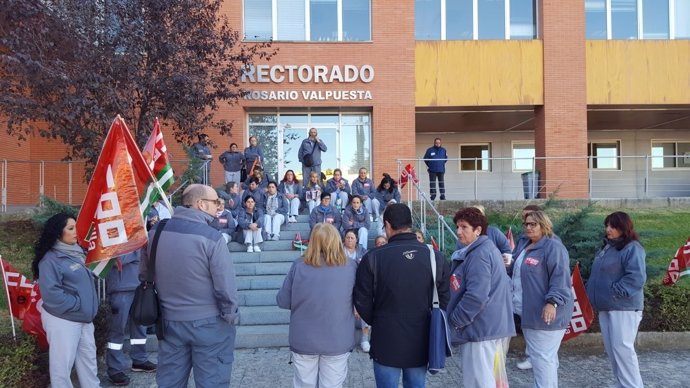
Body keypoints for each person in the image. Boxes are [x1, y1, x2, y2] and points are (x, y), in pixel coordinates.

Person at [140, 184, 238, 387]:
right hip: (209, 323)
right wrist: (231, 314)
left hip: (169, 321)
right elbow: (224, 285)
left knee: (170, 382)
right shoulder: (212, 237)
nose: (218, 206)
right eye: (215, 202)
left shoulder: (156, 232)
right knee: (212, 381)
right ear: (201, 204)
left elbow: (144, 274)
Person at [353, 203, 450, 388]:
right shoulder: (435, 256)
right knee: (416, 384)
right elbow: (444, 297)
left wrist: (377, 319)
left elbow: (361, 299)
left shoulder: (373, 257)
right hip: (422, 336)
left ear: (387, 225)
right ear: (410, 224)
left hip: (385, 336)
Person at [276, 223, 357, 388]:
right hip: (337, 338)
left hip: (304, 338)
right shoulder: (351, 266)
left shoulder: (299, 265)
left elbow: (282, 301)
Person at [446, 207, 515, 387]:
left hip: (480, 329)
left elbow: (476, 297)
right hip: (485, 328)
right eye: (457, 227)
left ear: (477, 230)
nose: (458, 232)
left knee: (480, 381)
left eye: (464, 227)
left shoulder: (479, 254)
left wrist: (455, 321)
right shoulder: (482, 249)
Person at [32, 213, 100, 388]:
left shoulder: (77, 253)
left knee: (89, 364)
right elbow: (51, 294)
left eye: (76, 226)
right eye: (71, 228)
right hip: (64, 320)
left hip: (84, 319)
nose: (76, 231)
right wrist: (77, 304)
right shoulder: (50, 260)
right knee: (62, 368)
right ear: (57, 233)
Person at [511, 210, 573, 387]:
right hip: (529, 312)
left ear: (544, 225)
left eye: (533, 224)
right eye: (526, 224)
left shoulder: (553, 247)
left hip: (546, 314)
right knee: (546, 359)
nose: (528, 227)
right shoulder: (526, 245)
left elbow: (560, 279)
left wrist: (552, 302)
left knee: (542, 360)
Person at [586, 211, 646, 388]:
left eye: (613, 226)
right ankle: (623, 384)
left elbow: (636, 277)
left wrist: (614, 292)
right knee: (613, 351)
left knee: (623, 349)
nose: (608, 229)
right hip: (606, 306)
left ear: (623, 228)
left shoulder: (632, 248)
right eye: (607, 225)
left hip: (623, 307)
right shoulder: (607, 247)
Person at [106, 249, 158, 386]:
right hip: (120, 289)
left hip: (139, 286)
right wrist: (136, 250)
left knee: (140, 328)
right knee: (117, 331)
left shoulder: (137, 235)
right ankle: (115, 369)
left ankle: (139, 360)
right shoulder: (113, 234)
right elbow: (118, 260)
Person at [342, 229, 370, 353]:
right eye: (347, 237)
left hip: (359, 284)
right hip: (343, 285)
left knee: (365, 306)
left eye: (352, 238)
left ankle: (364, 339)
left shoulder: (363, 252)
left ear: (357, 240)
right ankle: (346, 340)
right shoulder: (338, 252)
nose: (349, 240)